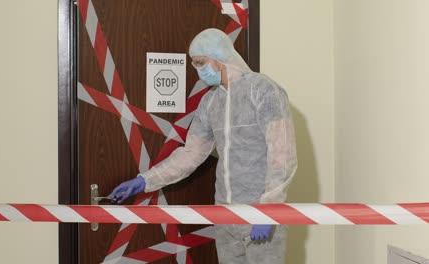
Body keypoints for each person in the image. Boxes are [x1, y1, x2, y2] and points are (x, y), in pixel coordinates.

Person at [108, 28, 298, 264]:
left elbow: (282, 155)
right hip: (224, 213)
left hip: (260, 211)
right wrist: (145, 180)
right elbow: (190, 154)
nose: (198, 70)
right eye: (194, 64)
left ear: (219, 59)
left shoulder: (264, 91)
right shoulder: (210, 102)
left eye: (201, 62)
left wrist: (269, 209)